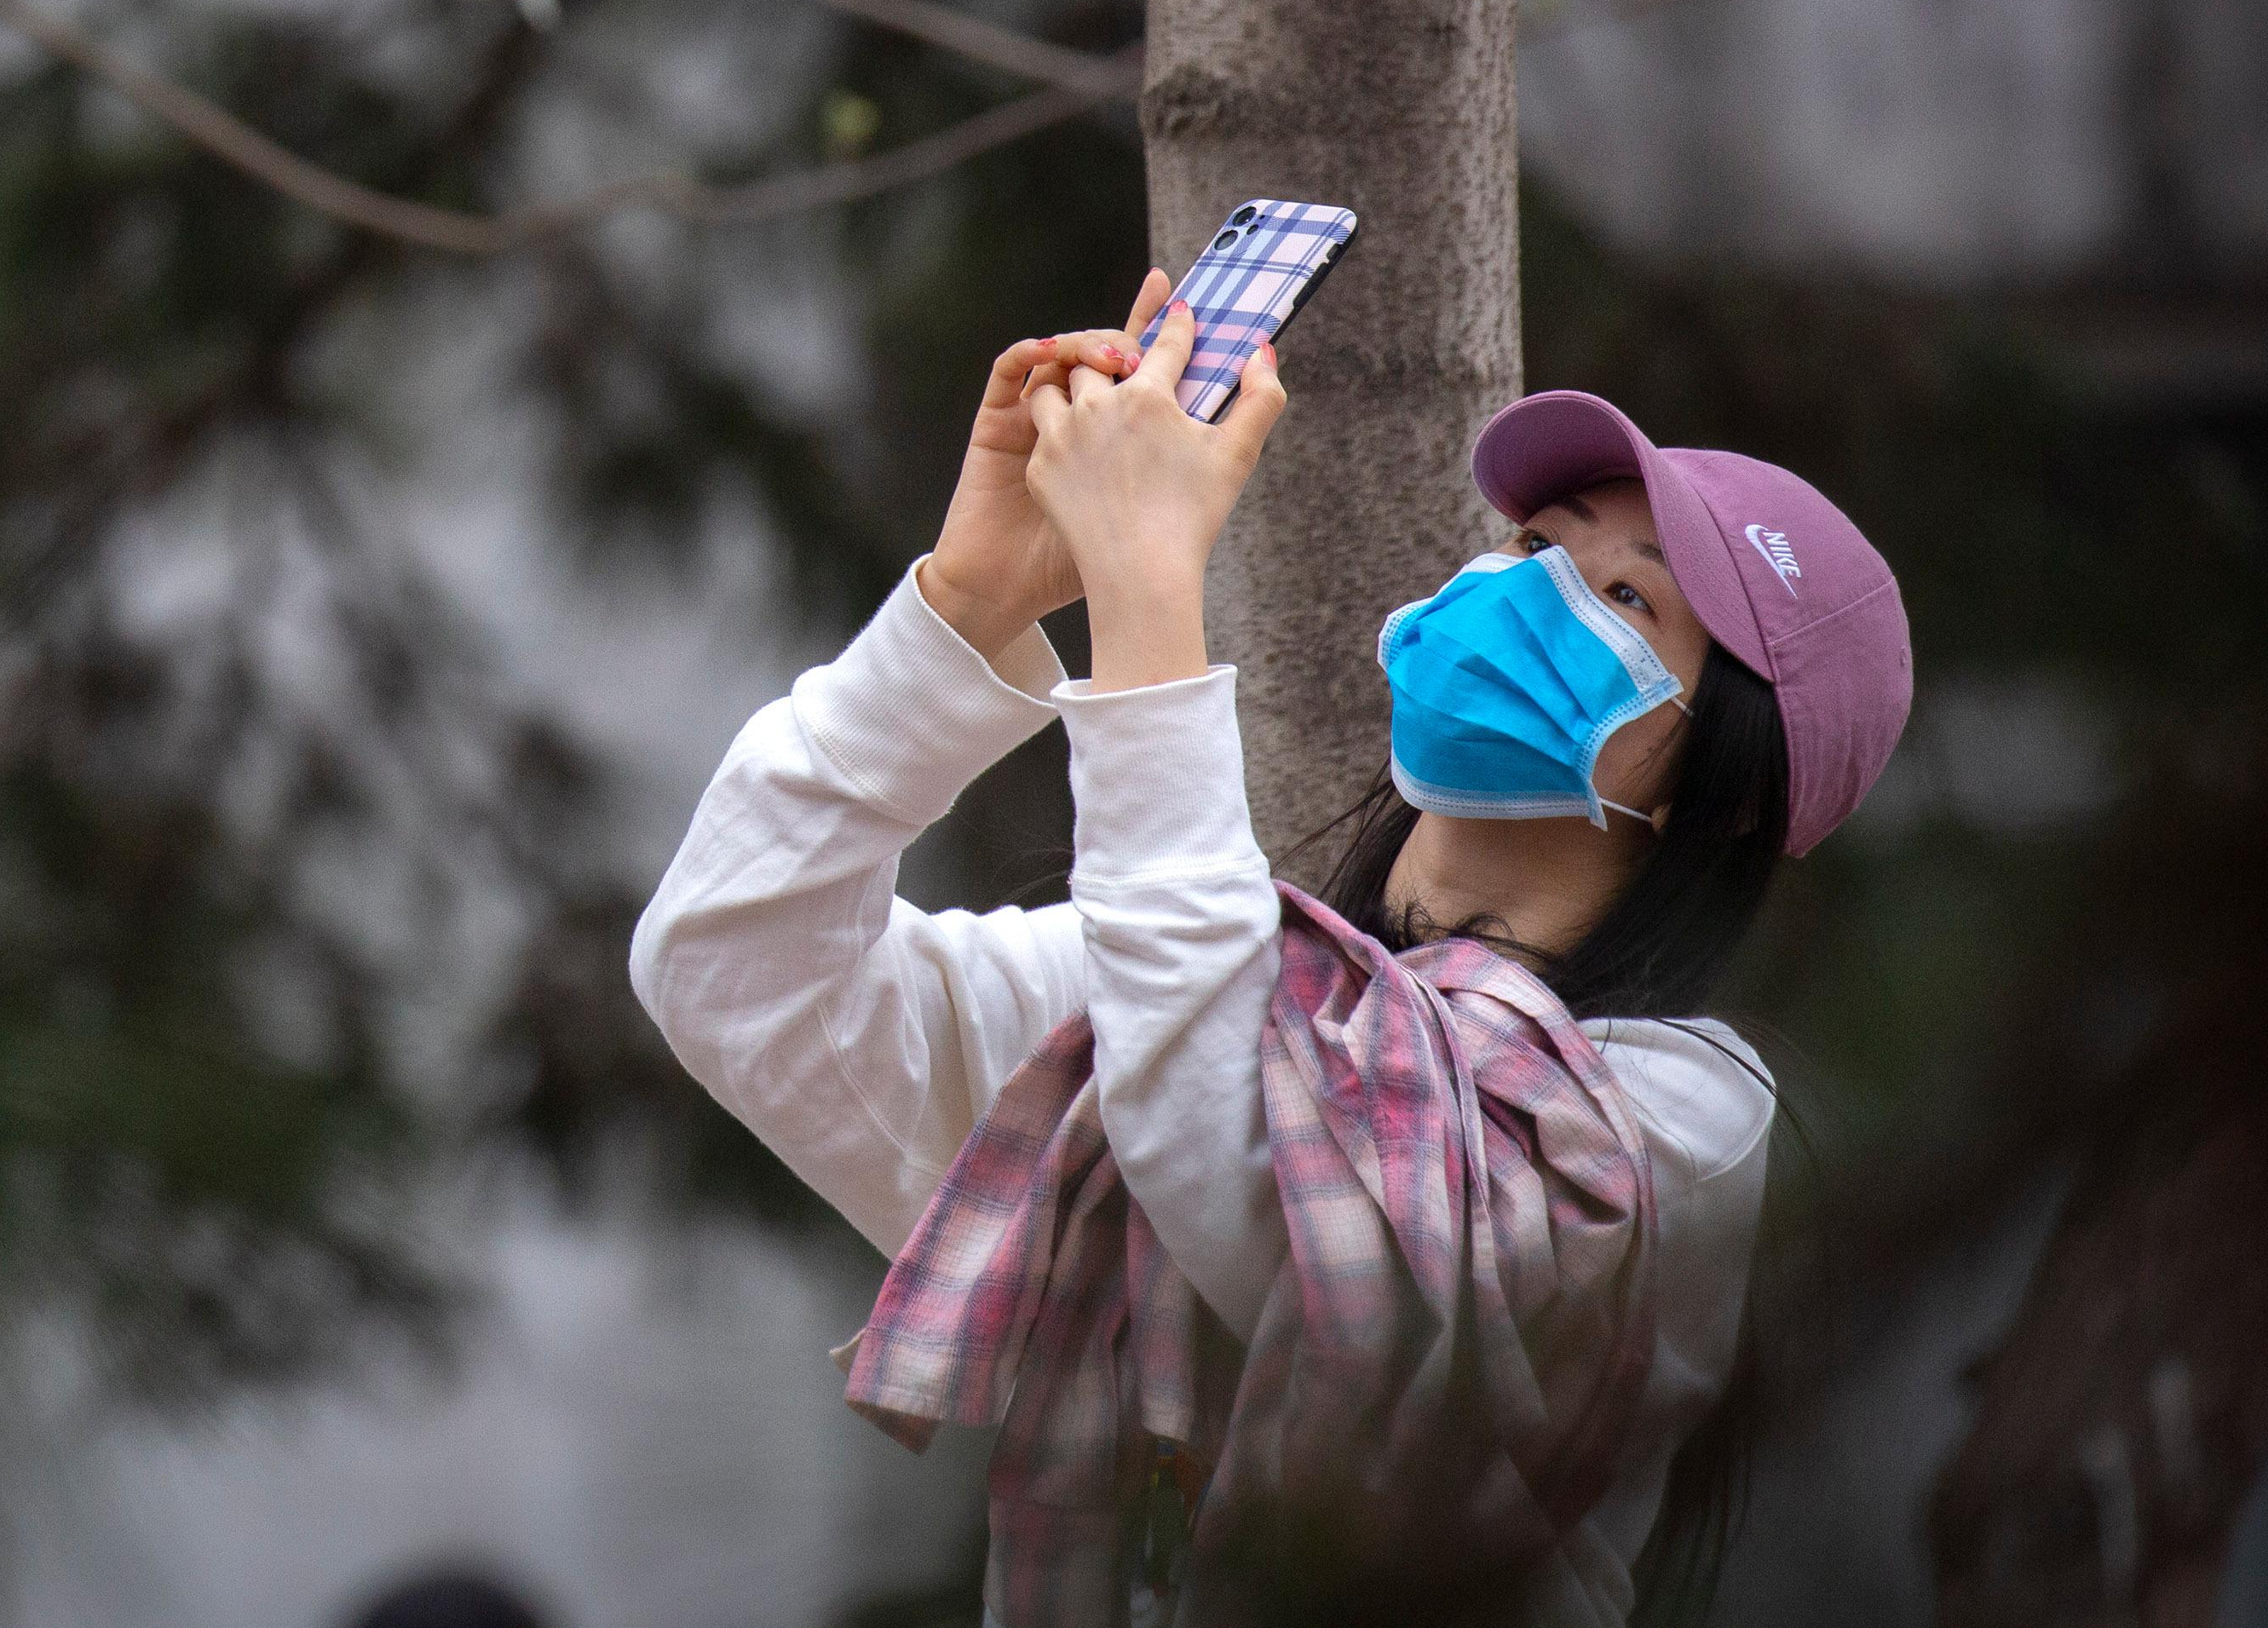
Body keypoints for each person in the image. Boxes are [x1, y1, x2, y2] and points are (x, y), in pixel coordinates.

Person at [630, 270, 1916, 1625]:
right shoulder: (1235, 999)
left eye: (1623, 598)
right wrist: (967, 601)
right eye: (1537, 541)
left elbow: (1245, 1173)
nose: (1532, 593)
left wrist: (1143, 595)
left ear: (1718, 791)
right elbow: (734, 966)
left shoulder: (1672, 1124)